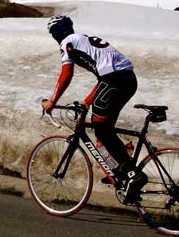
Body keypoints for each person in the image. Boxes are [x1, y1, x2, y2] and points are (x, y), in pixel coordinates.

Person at [40, 15, 147, 204]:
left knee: (101, 130)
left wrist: (52, 101)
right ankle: (121, 167)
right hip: (127, 79)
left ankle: (132, 173)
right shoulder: (82, 40)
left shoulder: (67, 43)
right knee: (105, 127)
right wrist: (87, 102)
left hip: (114, 80)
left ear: (55, 34)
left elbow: (66, 73)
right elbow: (102, 79)